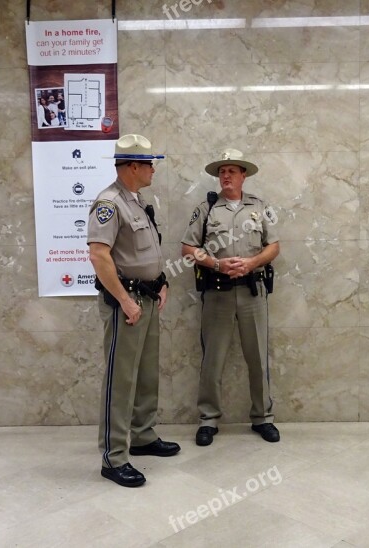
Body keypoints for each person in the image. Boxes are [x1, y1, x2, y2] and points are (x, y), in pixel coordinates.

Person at [87, 134, 179, 487]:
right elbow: (99, 255)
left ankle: (141, 435)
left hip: (147, 298)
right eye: (150, 163)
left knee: (144, 374)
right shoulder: (109, 203)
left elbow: (144, 253)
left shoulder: (137, 202)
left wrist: (162, 281)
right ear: (134, 166)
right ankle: (113, 457)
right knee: (121, 378)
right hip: (126, 305)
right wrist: (125, 300)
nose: (154, 169)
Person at [181, 149, 280, 446]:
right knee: (213, 358)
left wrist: (251, 263)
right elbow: (187, 249)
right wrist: (215, 263)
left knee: (257, 357)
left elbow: (273, 246)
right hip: (218, 293)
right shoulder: (207, 209)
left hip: (253, 291)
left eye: (232, 171)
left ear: (243, 176)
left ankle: (262, 417)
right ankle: (208, 420)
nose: (226, 176)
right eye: (222, 171)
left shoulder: (259, 207)